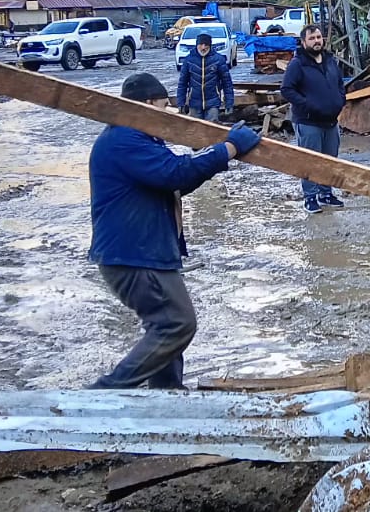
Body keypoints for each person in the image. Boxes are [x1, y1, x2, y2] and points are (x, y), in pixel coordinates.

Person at [89, 72, 262, 389]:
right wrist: (227, 150)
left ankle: (166, 392)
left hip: (143, 251)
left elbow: (176, 179)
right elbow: (175, 174)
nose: (170, 113)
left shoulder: (137, 137)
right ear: (145, 105)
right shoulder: (124, 140)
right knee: (176, 324)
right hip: (135, 255)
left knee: (163, 323)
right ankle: (107, 391)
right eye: (164, 106)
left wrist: (220, 153)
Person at [281, 24, 347, 213]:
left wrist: (340, 100)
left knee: (329, 159)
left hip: (331, 121)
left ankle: (326, 193)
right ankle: (310, 197)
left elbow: (340, 83)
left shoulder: (329, 60)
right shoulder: (298, 63)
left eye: (318, 37)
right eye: (312, 38)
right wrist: (307, 105)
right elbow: (287, 89)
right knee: (310, 161)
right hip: (308, 121)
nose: (317, 41)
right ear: (304, 42)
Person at [177, 32, 233, 120]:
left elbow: (227, 83)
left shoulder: (218, 60)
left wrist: (229, 103)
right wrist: (181, 103)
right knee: (195, 130)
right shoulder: (189, 60)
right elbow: (182, 84)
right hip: (194, 104)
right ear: (196, 45)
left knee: (212, 130)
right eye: (201, 44)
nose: (203, 47)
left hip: (213, 103)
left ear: (210, 46)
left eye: (206, 45)